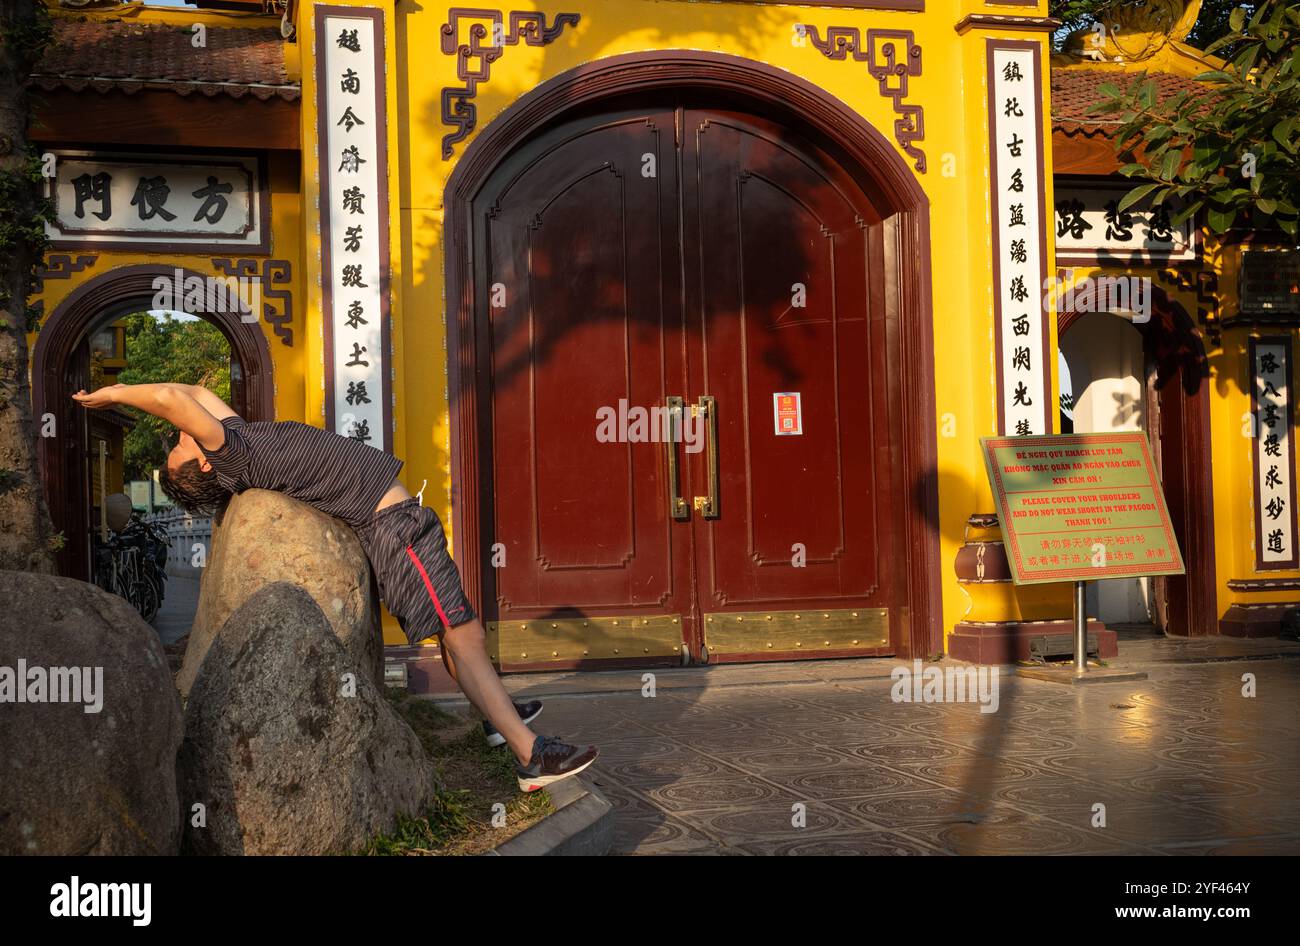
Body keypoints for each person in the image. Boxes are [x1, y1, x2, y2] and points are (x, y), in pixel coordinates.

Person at [73, 382, 597, 792]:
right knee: (462, 634)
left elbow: (191, 394)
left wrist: (149, 397)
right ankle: (532, 756)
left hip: (399, 522)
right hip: (395, 527)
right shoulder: (234, 454)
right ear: (208, 462)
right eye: (184, 445)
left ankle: (496, 717)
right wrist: (113, 394)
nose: (181, 433)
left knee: (456, 634)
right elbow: (170, 401)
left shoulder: (240, 438)